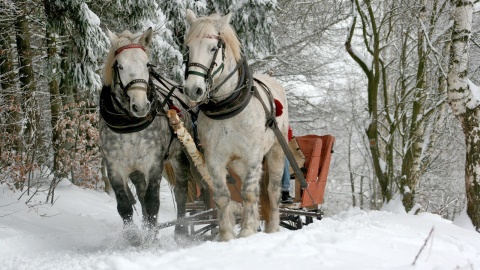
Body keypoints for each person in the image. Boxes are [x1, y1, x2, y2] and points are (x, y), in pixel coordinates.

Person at [281, 126, 294, 204]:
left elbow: (288, 135)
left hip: (278, 147)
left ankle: (285, 191)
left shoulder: (284, 121)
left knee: (284, 159)